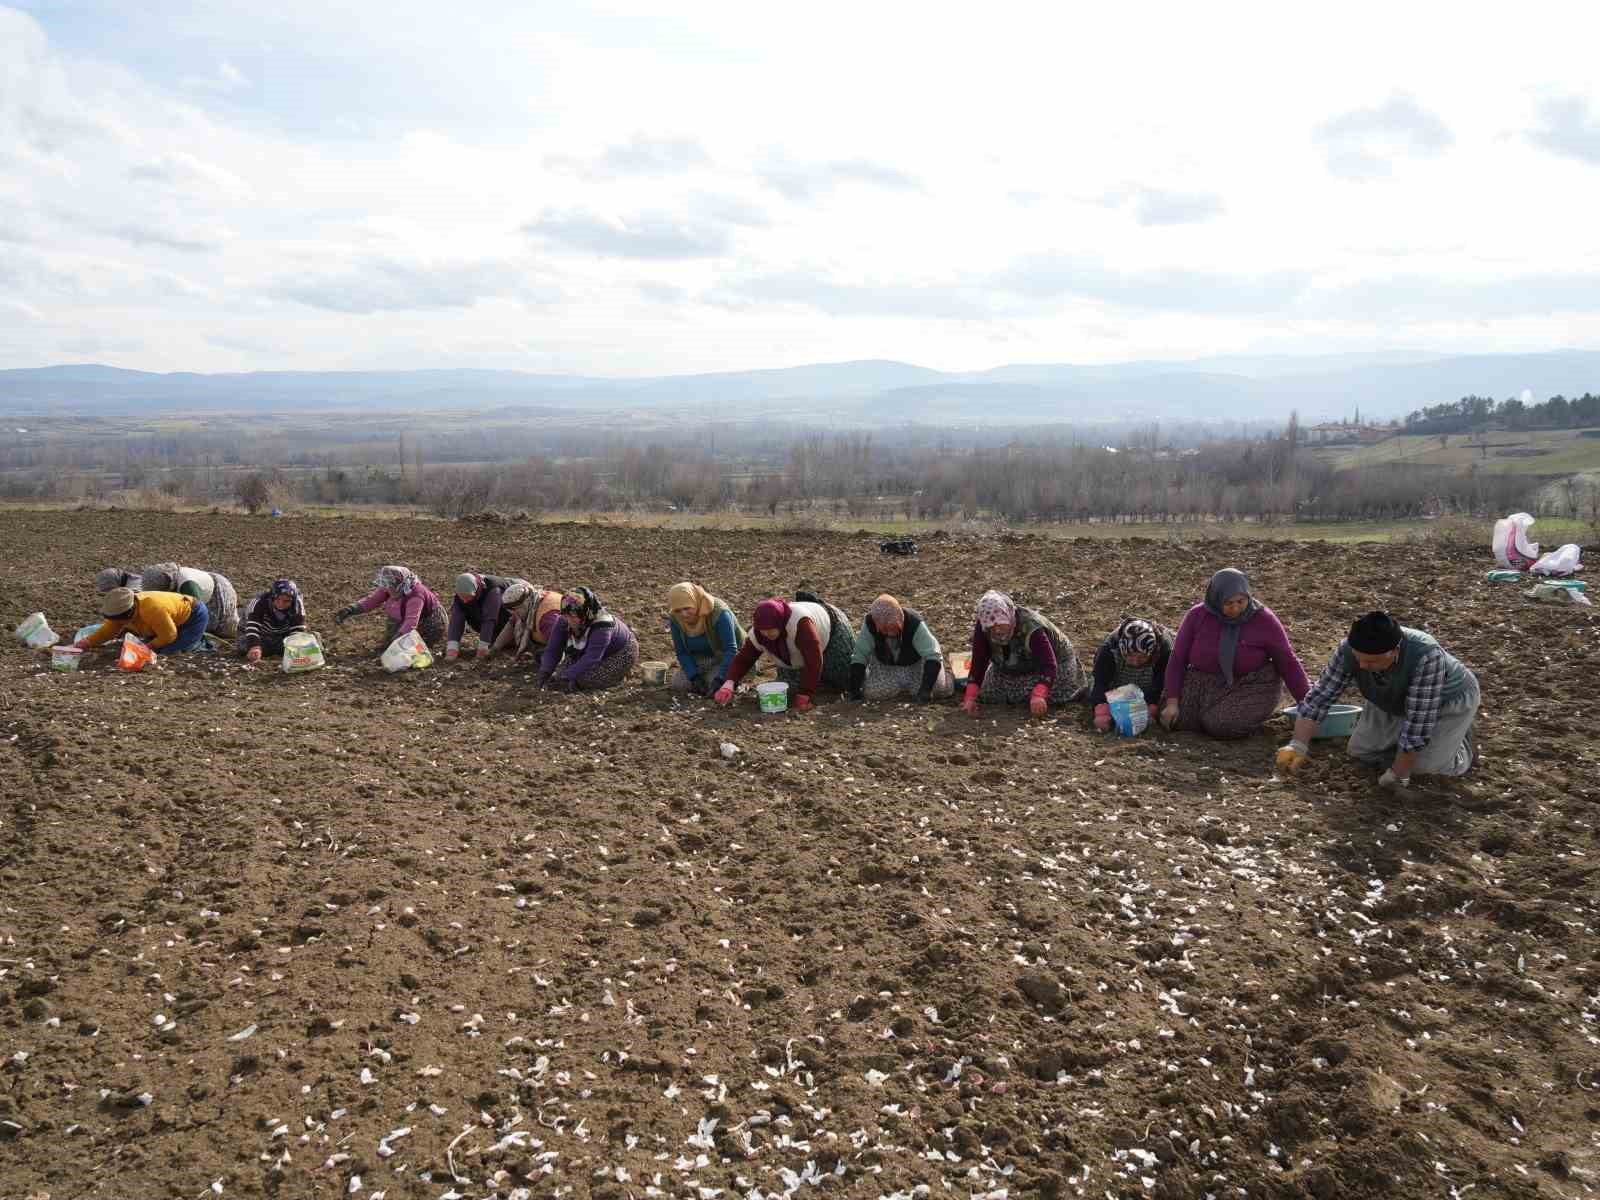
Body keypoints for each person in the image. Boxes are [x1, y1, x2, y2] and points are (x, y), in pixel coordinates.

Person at [1277, 611, 1480, 788]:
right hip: (1389, 695)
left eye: (1371, 661)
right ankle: (1417, 746)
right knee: (1362, 753)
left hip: (1444, 702)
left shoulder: (1426, 656)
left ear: (1395, 651)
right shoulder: (1348, 649)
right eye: (1359, 658)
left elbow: (1418, 723)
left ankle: (1462, 744)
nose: (1362, 666)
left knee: (1423, 769)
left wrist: (1399, 775)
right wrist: (1298, 745)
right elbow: (1320, 696)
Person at [1161, 567, 1309, 739]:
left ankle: (1244, 717)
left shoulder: (1264, 620)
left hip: (1250, 683)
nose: (1235, 608)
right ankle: (1206, 715)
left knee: (1220, 724)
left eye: (1240, 601)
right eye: (1228, 603)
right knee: (1174, 718)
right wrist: (1172, 702)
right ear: (1216, 599)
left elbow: (1287, 662)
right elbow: (1178, 658)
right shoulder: (1197, 616)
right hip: (1204, 680)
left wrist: (1308, 704)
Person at [715, 591, 855, 712]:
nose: (767, 634)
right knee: (791, 686)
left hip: (832, 629)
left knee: (842, 678)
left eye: (771, 630)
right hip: (790, 651)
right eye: (763, 631)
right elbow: (744, 659)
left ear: (780, 623)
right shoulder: (758, 633)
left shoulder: (800, 624)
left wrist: (804, 694)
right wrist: (729, 683)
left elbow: (814, 660)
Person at [961, 590, 1084, 718]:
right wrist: (970, 698)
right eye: (991, 627)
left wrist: (1039, 694)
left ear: (1008, 616)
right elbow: (978, 663)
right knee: (989, 693)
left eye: (1000, 624)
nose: (997, 630)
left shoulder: (1031, 627)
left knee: (1048, 694)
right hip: (1011, 666)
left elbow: (1049, 665)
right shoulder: (983, 627)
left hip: (1055, 665)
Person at [848, 593, 953, 703]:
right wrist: (854, 691)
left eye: (893, 627)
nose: (890, 633)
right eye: (885, 629)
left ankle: (949, 677)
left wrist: (926, 690)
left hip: (916, 665)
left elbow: (933, 656)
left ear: (900, 617)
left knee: (938, 689)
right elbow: (859, 656)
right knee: (872, 694)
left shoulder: (914, 623)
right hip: (887, 667)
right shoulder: (870, 624)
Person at [538, 587, 638, 691]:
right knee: (559, 674)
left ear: (585, 612)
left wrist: (566, 677)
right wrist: (545, 671)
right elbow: (553, 648)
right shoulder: (564, 620)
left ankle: (616, 677)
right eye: (566, 616)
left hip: (620, 652)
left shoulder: (602, 626)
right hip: (589, 651)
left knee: (586, 679)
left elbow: (592, 658)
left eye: (573, 616)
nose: (569, 621)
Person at [332, 565, 446, 651]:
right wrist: (350, 610)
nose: (388, 589)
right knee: (389, 640)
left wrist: (396, 640)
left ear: (401, 584)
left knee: (411, 649)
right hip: (404, 615)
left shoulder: (416, 595)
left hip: (429, 621)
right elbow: (371, 601)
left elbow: (411, 622)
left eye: (390, 586)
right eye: (386, 585)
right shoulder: (390, 587)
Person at [1088, 618, 1174, 731]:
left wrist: (1150, 709)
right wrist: (1102, 713)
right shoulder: (1109, 649)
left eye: (1141, 657)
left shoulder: (1164, 651)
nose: (1135, 662)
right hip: (1117, 683)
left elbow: (1160, 684)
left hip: (1148, 684)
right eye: (1129, 656)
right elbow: (1100, 682)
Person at [75, 587, 209, 655]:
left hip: (193, 616)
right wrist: (86, 642)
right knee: (154, 645)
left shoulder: (153, 609)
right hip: (167, 620)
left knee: (168, 651)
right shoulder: (120, 609)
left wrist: (149, 647)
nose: (117, 622)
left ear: (128, 613)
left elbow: (169, 635)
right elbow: (107, 631)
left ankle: (201, 642)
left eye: (119, 619)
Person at [666, 582, 744, 695]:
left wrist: (720, 678)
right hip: (701, 657)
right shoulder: (675, 619)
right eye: (678, 610)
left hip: (726, 657)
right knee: (678, 683)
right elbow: (681, 652)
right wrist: (694, 677)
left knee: (715, 683)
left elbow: (731, 650)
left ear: (695, 602)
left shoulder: (720, 613)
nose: (683, 614)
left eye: (687, 608)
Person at [140, 561, 241, 640]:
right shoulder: (169, 580)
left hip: (217, 592)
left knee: (225, 630)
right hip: (198, 593)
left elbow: (199, 612)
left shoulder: (187, 586)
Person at [447, 572, 534, 661]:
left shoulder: (493, 590)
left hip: (517, 604)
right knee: (493, 639)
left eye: (468, 597)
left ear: (476, 590)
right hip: (499, 615)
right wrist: (452, 649)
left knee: (520, 637)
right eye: (462, 597)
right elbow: (456, 621)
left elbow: (489, 620)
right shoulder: (461, 596)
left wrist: (482, 649)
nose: (465, 601)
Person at [238, 578, 308, 663]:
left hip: (283, 636)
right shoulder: (260, 602)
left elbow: (297, 629)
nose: (281, 604)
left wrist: (295, 647)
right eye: (278, 599)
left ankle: (278, 649)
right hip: (262, 635)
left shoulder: (297, 605)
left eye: (286, 601)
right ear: (272, 597)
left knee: (307, 643)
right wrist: (254, 646)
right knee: (244, 645)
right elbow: (253, 627)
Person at [509, 584, 565, 661]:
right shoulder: (532, 604)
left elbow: (560, 644)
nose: (515, 613)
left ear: (525, 604)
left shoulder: (546, 619)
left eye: (516, 609)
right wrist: (495, 648)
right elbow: (511, 624)